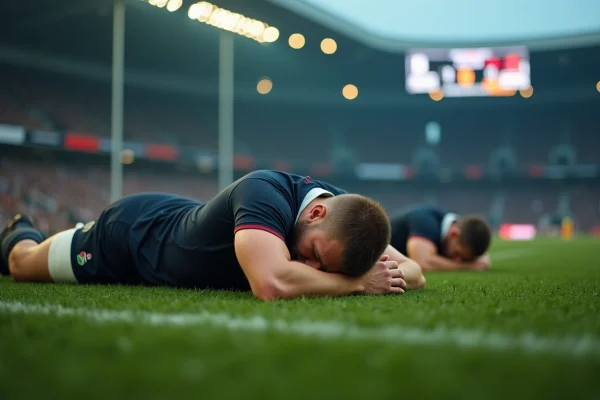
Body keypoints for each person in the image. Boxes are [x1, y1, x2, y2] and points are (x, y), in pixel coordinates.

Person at [0, 170, 425, 300]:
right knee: (21, 266)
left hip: (176, 222)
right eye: (314, 254)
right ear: (314, 213)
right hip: (132, 236)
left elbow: (414, 271)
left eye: (322, 266)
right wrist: (355, 282)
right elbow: (272, 282)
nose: (311, 266)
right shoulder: (265, 193)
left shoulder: (339, 218)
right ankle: (21, 227)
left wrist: (379, 270)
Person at [389, 204, 492, 272]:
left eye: (465, 259)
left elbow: (484, 260)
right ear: (453, 234)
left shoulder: (461, 228)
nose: (457, 260)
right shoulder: (425, 222)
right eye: (457, 254)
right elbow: (422, 262)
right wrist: (467, 266)